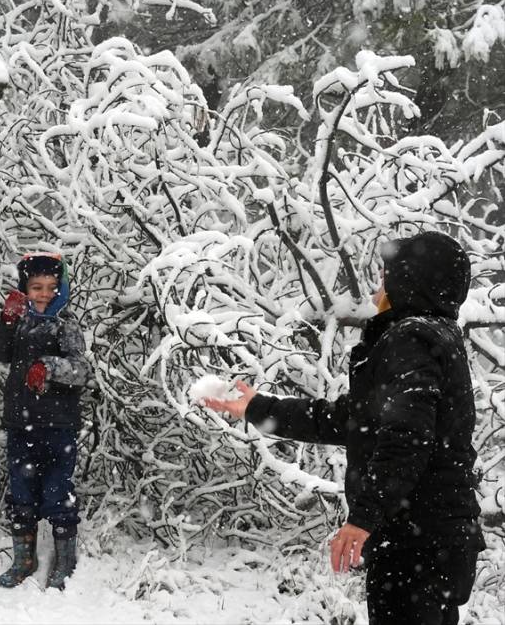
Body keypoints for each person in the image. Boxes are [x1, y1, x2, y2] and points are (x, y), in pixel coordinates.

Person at [205, 231, 484, 625]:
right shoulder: (435, 337)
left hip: (416, 542)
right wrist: (257, 407)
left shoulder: (412, 340)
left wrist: (364, 518)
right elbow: (349, 421)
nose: (378, 286)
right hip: (436, 539)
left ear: (410, 280)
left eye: (386, 276)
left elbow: (407, 438)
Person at [0, 253, 93, 590]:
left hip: (59, 425)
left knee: (56, 493)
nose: (44, 294)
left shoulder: (66, 323)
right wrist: (6, 321)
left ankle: (65, 561)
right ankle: (24, 559)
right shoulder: (18, 321)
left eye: (51, 287)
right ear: (25, 288)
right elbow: (0, 354)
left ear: (60, 288)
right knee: (21, 494)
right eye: (36, 287)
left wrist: (48, 366)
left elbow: (81, 370)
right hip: (21, 423)